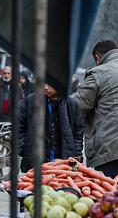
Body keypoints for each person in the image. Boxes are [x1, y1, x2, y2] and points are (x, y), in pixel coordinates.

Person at [73, 40, 118, 177]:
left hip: (108, 152)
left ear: (97, 58)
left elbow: (76, 108)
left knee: (108, 195)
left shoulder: (99, 73)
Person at [18, 84, 83, 172]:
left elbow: (78, 133)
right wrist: (25, 149)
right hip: (35, 161)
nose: (45, 87)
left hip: (63, 162)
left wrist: (75, 153)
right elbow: (19, 129)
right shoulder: (30, 101)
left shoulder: (71, 104)